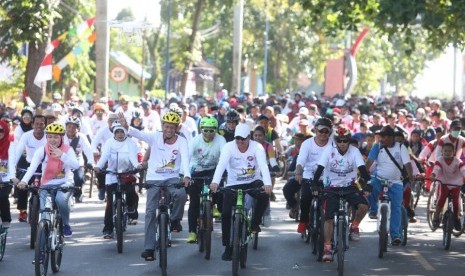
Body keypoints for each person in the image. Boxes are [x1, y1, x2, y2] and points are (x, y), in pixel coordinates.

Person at [117, 111, 191, 261]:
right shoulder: (155, 137)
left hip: (172, 178)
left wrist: (187, 175)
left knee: (181, 195)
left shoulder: (181, 141)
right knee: (150, 212)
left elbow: (185, 159)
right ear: (163, 126)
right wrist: (126, 126)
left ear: (176, 128)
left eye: (172, 127)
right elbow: (140, 134)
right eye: (166, 126)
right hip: (154, 179)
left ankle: (175, 219)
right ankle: (149, 248)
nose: (168, 130)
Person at [209, 123, 272, 261]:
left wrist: (267, 183)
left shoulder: (257, 147)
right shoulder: (228, 147)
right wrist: (215, 182)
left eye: (243, 139)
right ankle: (227, 247)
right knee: (225, 214)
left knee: (264, 195)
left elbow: (263, 165)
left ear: (249, 137)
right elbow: (221, 165)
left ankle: (255, 222)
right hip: (233, 183)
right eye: (237, 138)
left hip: (253, 181)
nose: (240, 142)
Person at [311, 126, 372, 262]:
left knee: (364, 206)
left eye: (345, 141)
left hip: (350, 186)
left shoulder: (354, 151)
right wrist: (315, 183)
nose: (343, 144)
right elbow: (320, 168)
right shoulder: (328, 151)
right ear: (336, 141)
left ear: (349, 141)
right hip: (331, 187)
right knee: (329, 218)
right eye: (340, 141)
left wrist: (368, 182)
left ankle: (354, 225)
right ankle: (327, 247)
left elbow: (362, 169)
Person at [16, 123, 79, 237]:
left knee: (60, 200)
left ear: (61, 137)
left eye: (56, 137)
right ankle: (44, 234)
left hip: (65, 182)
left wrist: (62, 156)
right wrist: (24, 181)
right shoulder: (42, 150)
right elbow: (32, 167)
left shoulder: (67, 149)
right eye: (50, 136)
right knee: (44, 209)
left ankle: (66, 224)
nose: (52, 139)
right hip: (47, 183)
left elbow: (76, 165)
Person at [366, 125, 414, 246]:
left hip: (396, 182)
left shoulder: (401, 147)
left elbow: (407, 164)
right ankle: (373, 209)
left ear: (392, 138)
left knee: (396, 207)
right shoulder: (377, 146)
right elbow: (369, 162)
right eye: (380, 136)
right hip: (379, 178)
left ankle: (395, 235)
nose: (381, 139)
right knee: (370, 187)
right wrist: (363, 174)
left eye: (384, 136)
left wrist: (411, 176)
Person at [94, 121, 142, 238]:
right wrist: (98, 166)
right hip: (112, 174)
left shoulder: (130, 143)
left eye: (122, 131)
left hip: (127, 173)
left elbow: (132, 156)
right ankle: (108, 229)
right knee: (110, 203)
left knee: (132, 192)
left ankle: (131, 208)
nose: (120, 134)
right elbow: (104, 156)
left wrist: (137, 166)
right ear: (114, 132)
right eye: (118, 132)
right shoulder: (109, 143)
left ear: (125, 132)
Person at [186, 116, 226, 243]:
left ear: (216, 130)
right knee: (194, 202)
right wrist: (185, 175)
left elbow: (225, 157)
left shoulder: (221, 140)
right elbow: (186, 159)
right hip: (196, 171)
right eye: (206, 130)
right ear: (201, 129)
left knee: (219, 186)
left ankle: (213, 204)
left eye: (212, 130)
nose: (209, 133)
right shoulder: (194, 141)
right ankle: (192, 232)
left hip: (213, 170)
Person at [294, 117, 333, 234]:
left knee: (330, 202)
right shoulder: (307, 143)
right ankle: (303, 221)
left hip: (327, 178)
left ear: (330, 132)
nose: (323, 134)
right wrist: (299, 172)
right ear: (315, 130)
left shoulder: (334, 144)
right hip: (309, 176)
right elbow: (300, 161)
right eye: (321, 131)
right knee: (305, 198)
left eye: (326, 131)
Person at [9, 115, 47, 222]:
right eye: (36, 124)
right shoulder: (26, 135)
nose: (39, 126)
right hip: (29, 165)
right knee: (21, 185)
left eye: (41, 124)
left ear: (45, 125)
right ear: (32, 125)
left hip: (44, 167)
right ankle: (22, 211)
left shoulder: (49, 136)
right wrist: (12, 169)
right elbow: (17, 153)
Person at [430, 142, 465, 231]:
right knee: (441, 199)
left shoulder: (458, 161)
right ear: (442, 152)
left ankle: (456, 219)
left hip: (456, 183)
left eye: (450, 151)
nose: (447, 153)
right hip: (444, 182)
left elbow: (463, 170)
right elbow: (436, 169)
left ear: (453, 152)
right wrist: (433, 175)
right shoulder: (439, 160)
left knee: (456, 203)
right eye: (445, 151)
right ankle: (436, 218)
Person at [63, 116, 94, 203]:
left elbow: (88, 150)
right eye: (69, 126)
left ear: (78, 128)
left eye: (74, 127)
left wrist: (91, 162)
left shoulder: (82, 137)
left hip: (78, 162)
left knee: (79, 179)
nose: (71, 129)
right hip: (63, 162)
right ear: (66, 127)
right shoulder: (61, 136)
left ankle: (78, 191)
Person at [0, 120, 13, 229]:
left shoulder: (11, 145)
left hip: (6, 180)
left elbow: (13, 164)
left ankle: (5, 219)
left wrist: (12, 178)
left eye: (1, 131)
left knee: (2, 197)